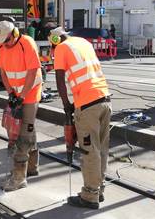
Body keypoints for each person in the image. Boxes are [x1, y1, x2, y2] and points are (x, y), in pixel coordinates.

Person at [49, 27, 111, 209]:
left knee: (89, 151)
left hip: (87, 105)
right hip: (105, 99)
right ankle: (99, 191)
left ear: (55, 39)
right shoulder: (84, 42)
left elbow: (60, 79)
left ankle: (90, 196)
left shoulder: (61, 47)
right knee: (101, 149)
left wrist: (66, 105)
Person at [0, 20, 43, 192]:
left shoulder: (27, 43)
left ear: (14, 34)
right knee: (24, 129)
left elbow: (32, 72)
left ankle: (19, 177)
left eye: (6, 41)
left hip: (30, 92)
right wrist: (10, 94)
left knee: (24, 133)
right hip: (15, 93)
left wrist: (22, 96)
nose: (4, 45)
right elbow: (3, 72)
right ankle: (32, 167)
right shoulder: (1, 45)